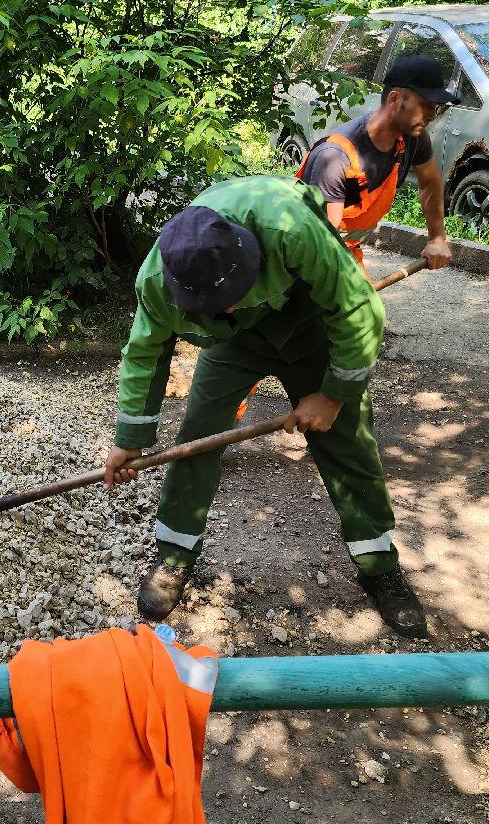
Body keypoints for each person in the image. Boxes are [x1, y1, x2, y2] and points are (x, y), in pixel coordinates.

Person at [102, 175, 428, 638]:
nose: (228, 307)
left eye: (231, 296)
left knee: (348, 445)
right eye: (215, 304)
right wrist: (130, 440)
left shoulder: (291, 230)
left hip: (311, 324)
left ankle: (379, 565)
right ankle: (174, 555)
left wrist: (332, 395)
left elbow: (359, 312)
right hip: (233, 344)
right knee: (197, 439)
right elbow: (144, 355)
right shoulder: (158, 281)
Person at [296, 53, 456, 273]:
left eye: (434, 107)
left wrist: (437, 238)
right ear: (394, 99)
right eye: (425, 105)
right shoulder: (335, 157)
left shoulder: (413, 138)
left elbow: (429, 182)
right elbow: (322, 244)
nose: (432, 115)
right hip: (305, 257)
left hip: (341, 250)